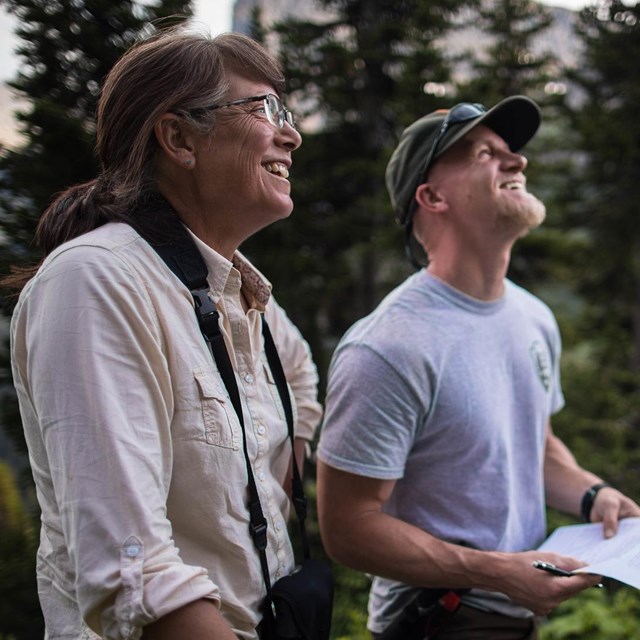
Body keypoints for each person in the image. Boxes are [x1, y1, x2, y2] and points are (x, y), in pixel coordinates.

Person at [8, 27, 323, 640]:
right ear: (178, 138)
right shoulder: (96, 282)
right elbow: (137, 578)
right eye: (263, 109)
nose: (292, 133)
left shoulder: (241, 294)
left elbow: (301, 382)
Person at [315, 96, 640, 639]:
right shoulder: (387, 347)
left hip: (518, 616)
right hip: (435, 622)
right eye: (485, 153)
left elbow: (532, 444)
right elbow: (346, 530)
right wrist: (495, 571)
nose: (517, 161)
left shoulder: (533, 316)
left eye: (511, 152)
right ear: (432, 196)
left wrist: (592, 494)